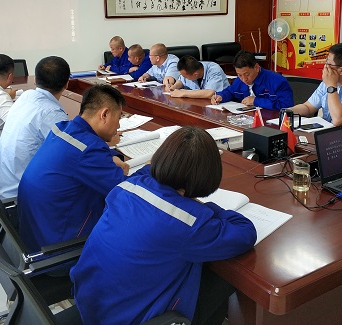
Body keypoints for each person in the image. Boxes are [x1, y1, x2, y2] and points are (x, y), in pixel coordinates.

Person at [71, 126, 256, 325]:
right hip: (128, 319)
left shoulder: (126, 187)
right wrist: (206, 207)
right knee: (227, 277)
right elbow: (245, 232)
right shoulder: (188, 221)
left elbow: (147, 172)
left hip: (90, 304)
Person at [17, 84, 129, 252]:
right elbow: (126, 191)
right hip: (58, 248)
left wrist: (111, 157)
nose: (118, 126)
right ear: (104, 114)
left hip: (34, 233)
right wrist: (150, 168)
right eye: (119, 117)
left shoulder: (62, 128)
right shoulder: (89, 149)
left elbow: (79, 156)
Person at [0, 56, 71, 200]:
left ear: (35, 80)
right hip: (19, 198)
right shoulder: (52, 114)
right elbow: (70, 157)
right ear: (67, 84)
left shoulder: (25, 97)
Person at [211, 50, 293, 110]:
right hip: (245, 119)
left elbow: (286, 106)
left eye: (247, 74)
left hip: (270, 122)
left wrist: (256, 101)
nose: (244, 79)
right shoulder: (239, 81)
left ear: (256, 68)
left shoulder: (277, 81)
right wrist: (220, 96)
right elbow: (230, 92)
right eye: (239, 75)